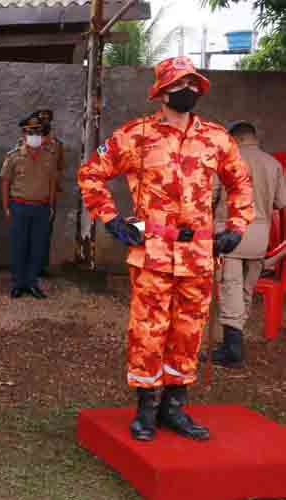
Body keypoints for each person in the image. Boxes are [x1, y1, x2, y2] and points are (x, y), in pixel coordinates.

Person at [78, 56, 253, 442]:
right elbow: (91, 173)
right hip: (153, 252)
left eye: (192, 84)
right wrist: (110, 218)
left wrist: (237, 225)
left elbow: (240, 182)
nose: (186, 91)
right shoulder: (136, 134)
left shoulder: (216, 138)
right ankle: (146, 408)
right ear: (162, 92)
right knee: (148, 331)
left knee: (188, 332)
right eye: (178, 85)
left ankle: (174, 407)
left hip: (199, 253)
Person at [207, 121, 286, 368]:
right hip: (260, 238)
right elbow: (280, 202)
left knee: (230, 288)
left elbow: (210, 197)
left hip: (230, 233)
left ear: (236, 139)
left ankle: (232, 350)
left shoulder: (226, 161)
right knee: (245, 290)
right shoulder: (273, 164)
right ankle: (233, 344)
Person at [0, 115, 57, 299]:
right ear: (23, 134)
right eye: (31, 132)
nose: (35, 136)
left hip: (41, 207)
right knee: (18, 246)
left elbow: (52, 182)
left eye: (38, 132)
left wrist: (51, 205)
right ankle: (18, 283)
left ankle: (32, 283)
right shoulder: (14, 156)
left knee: (37, 247)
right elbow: (5, 182)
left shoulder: (49, 156)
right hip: (20, 206)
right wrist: (6, 207)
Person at [33, 109, 66, 276]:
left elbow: (59, 167)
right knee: (29, 232)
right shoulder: (30, 141)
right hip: (30, 191)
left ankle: (41, 266)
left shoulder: (57, 145)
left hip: (48, 194)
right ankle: (28, 265)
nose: (44, 124)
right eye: (41, 121)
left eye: (47, 121)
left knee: (45, 232)